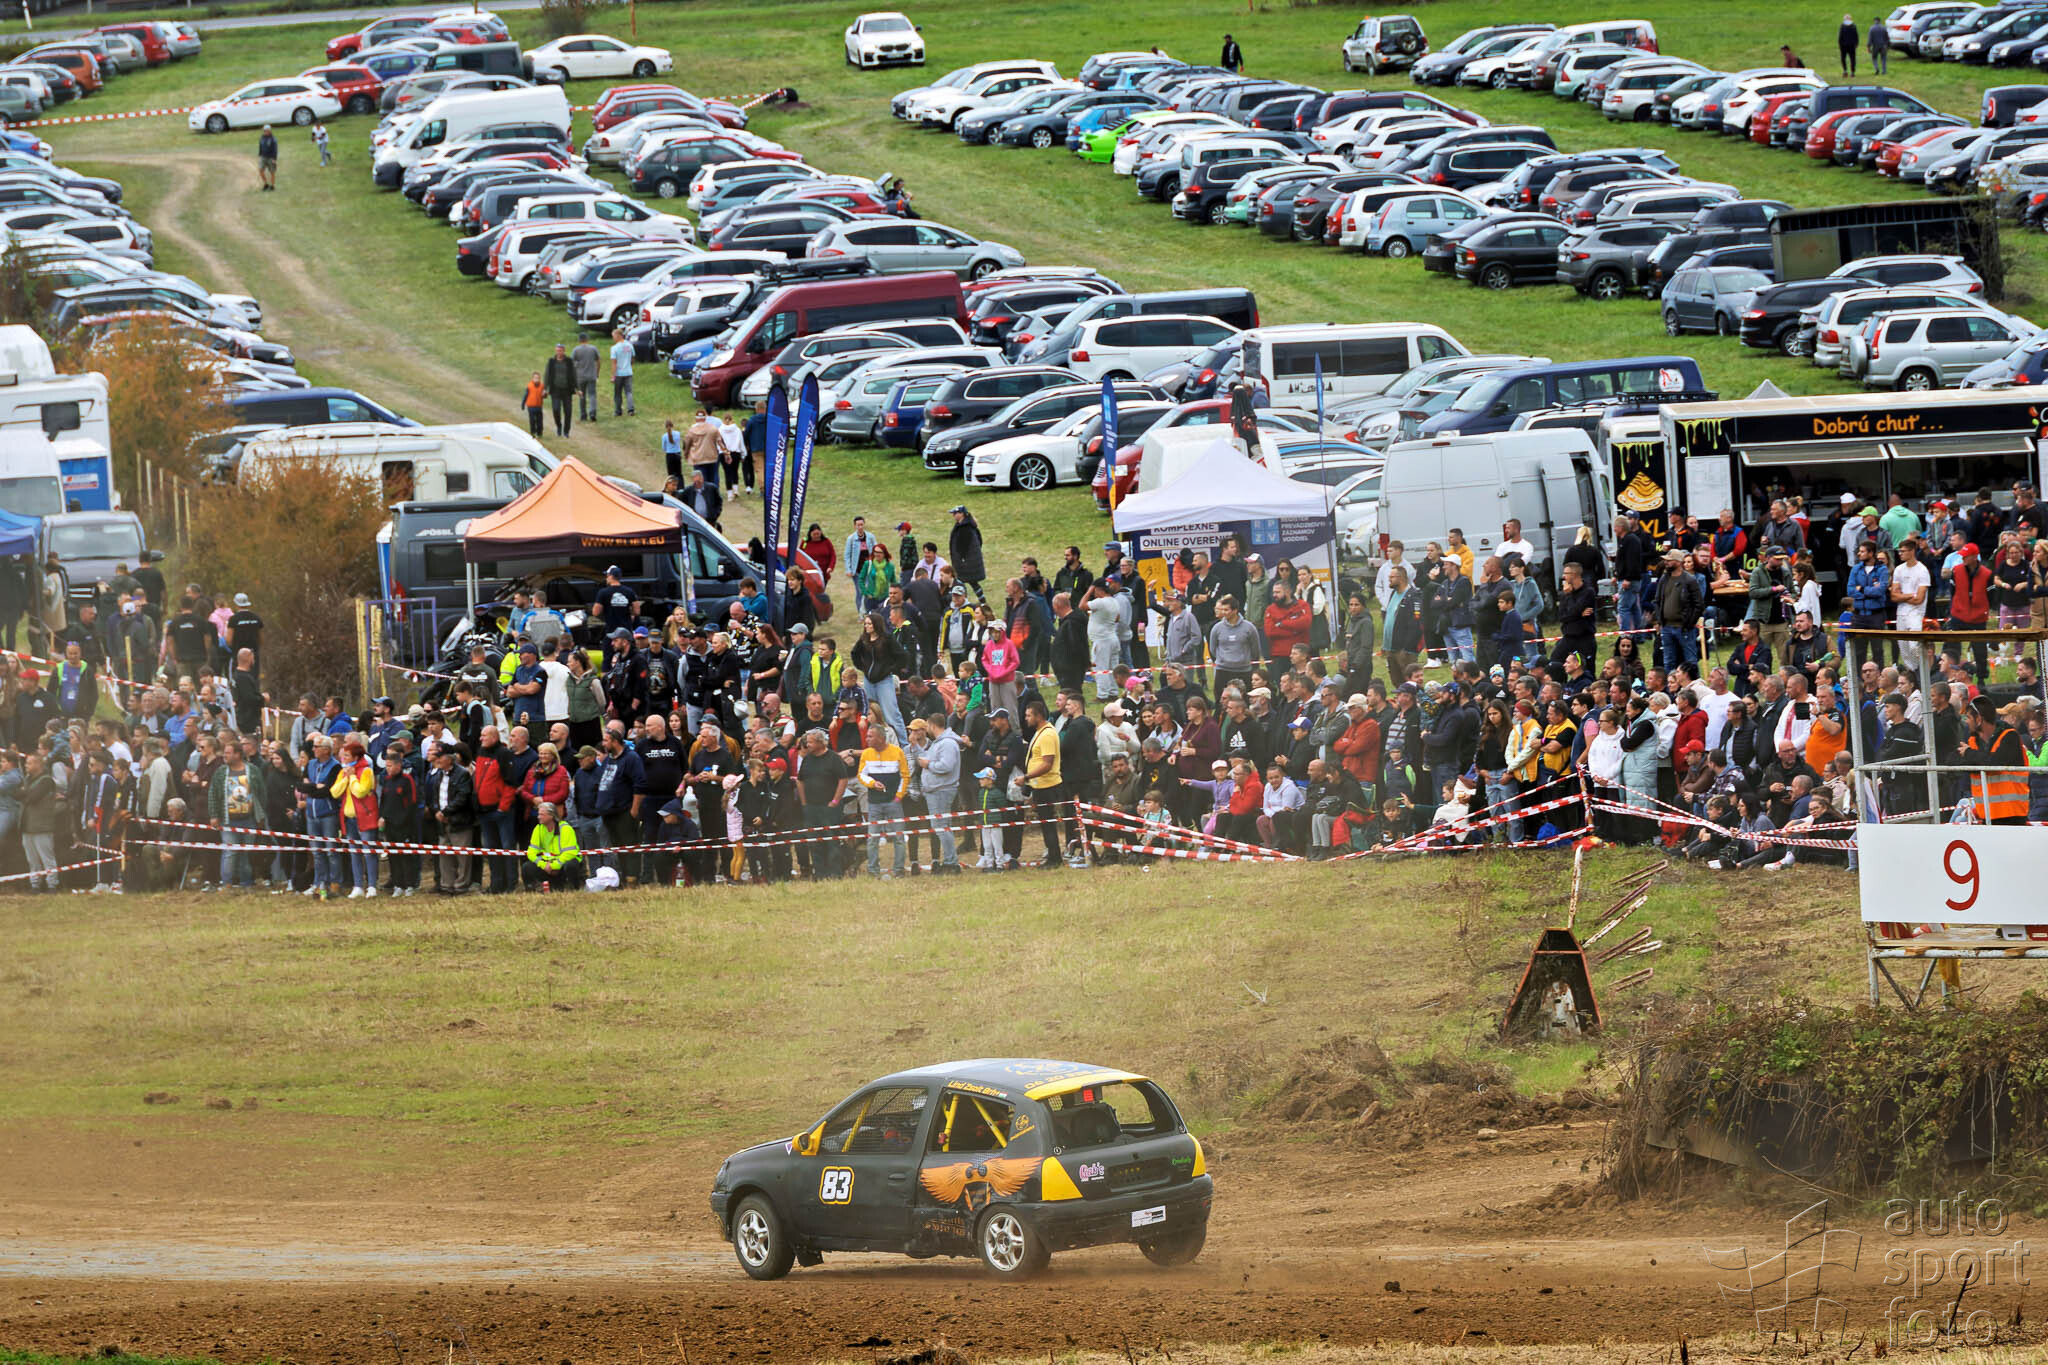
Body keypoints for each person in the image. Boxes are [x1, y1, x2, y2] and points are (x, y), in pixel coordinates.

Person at [525, 801, 584, 891]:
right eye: (538, 814)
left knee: (570, 865)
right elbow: (531, 853)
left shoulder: (565, 828)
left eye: (542, 814)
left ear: (551, 816)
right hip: (547, 865)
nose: (538, 817)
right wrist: (544, 865)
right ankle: (534, 889)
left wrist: (554, 865)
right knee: (526, 867)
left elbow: (570, 853)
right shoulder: (538, 829)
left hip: (562, 864)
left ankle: (572, 888)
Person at [544, 344, 576, 438]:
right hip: (555, 390)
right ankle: (559, 426)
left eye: (560, 351)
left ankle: (566, 431)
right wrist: (545, 389)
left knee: (568, 411)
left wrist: (577, 388)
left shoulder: (569, 361)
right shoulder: (551, 361)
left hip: (567, 390)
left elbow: (574, 374)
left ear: (564, 351)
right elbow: (547, 375)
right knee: (556, 409)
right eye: (557, 350)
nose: (559, 352)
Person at [609, 327, 635, 417]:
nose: (613, 338)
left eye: (613, 336)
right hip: (628, 372)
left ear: (618, 336)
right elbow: (632, 358)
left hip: (619, 373)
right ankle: (631, 409)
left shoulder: (614, 348)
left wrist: (613, 376)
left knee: (617, 393)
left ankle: (618, 411)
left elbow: (614, 363)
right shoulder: (629, 345)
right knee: (629, 392)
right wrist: (629, 366)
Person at [256, 124, 278, 191]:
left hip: (271, 158)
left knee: (272, 172)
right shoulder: (262, 138)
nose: (265, 132)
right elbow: (260, 146)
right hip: (263, 157)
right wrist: (259, 155)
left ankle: (272, 186)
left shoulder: (273, 139)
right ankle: (266, 184)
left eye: (266, 130)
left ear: (269, 131)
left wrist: (274, 159)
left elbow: (275, 149)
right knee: (260, 170)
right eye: (264, 130)